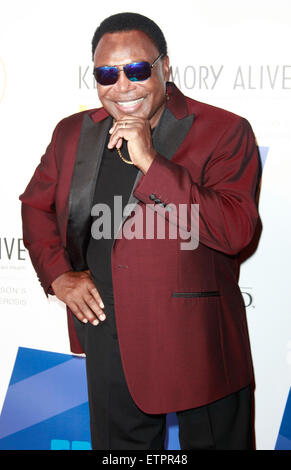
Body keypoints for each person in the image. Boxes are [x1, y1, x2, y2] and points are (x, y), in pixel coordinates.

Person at [19, 12, 261, 450]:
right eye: (107, 74)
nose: (122, 86)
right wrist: (58, 274)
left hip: (202, 344)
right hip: (111, 337)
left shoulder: (225, 131)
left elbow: (236, 231)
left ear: (165, 68)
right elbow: (35, 206)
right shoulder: (73, 133)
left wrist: (152, 162)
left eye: (136, 70)